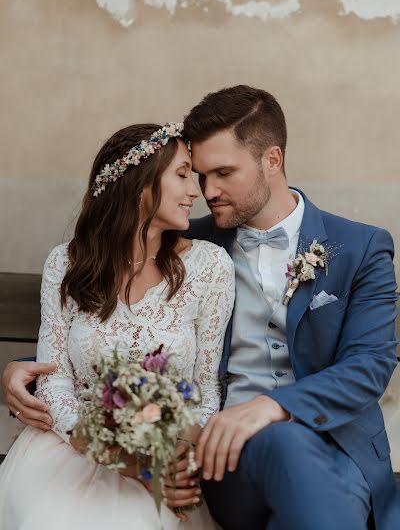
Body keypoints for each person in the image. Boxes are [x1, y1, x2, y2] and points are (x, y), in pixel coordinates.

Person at [3, 86, 400, 529]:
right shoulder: (187, 244)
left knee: (302, 471)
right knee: (287, 451)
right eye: (199, 174)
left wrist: (272, 406)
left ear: (272, 160)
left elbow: (369, 364)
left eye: (223, 173)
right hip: (226, 457)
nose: (206, 191)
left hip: (334, 447)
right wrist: (24, 369)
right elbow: (110, 323)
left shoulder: (360, 247)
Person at [0, 122, 235, 530]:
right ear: (140, 186)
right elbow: (52, 379)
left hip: (161, 460)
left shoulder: (210, 268)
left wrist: (165, 458)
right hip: (67, 451)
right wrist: (109, 452)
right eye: (182, 175)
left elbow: (206, 391)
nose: (195, 191)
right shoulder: (66, 264)